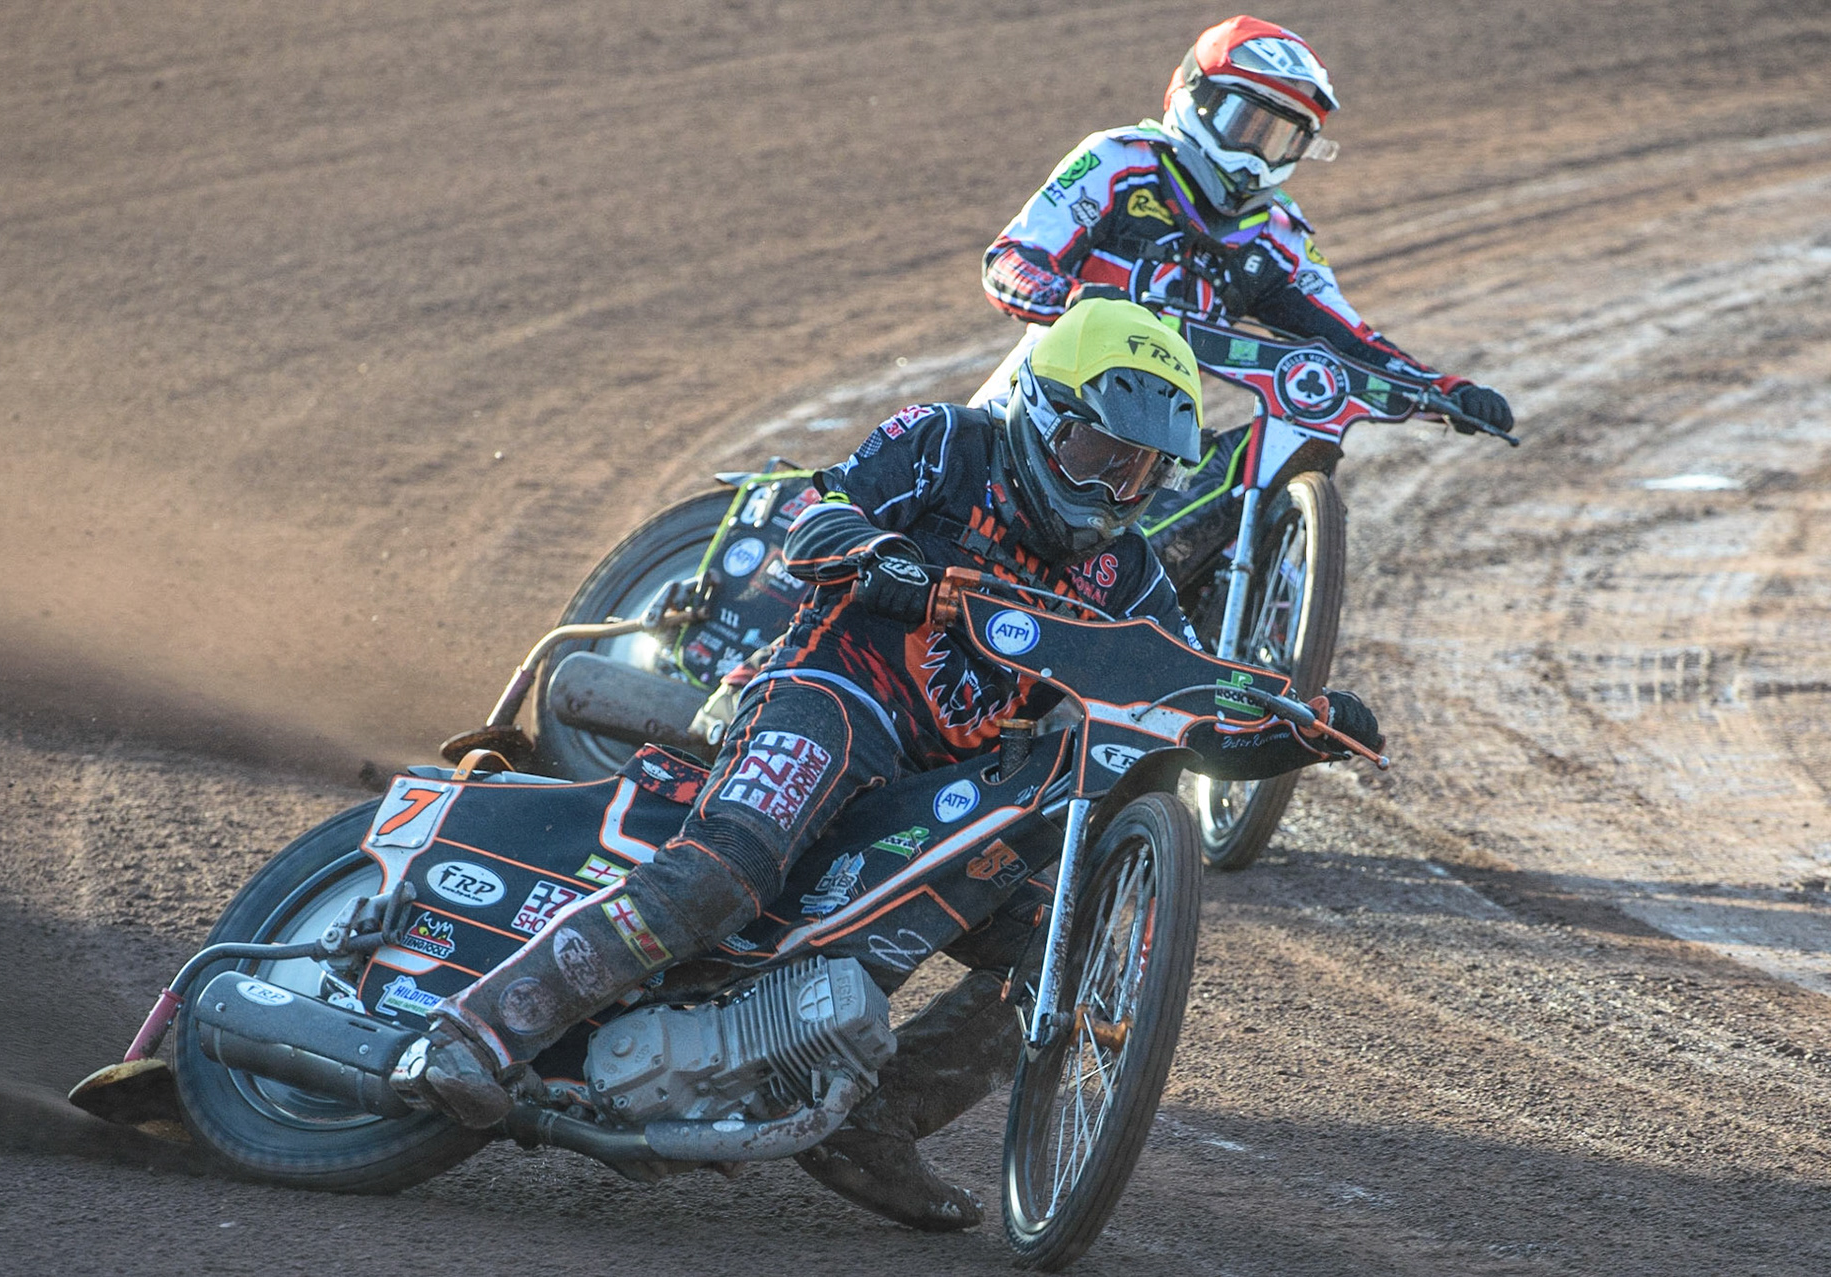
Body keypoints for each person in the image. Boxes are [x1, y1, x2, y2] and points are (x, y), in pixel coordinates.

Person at [398, 301, 1384, 1229]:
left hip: (940, 780)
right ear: (1044, 411)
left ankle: (876, 1123)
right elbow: (812, 519)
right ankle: (482, 1026)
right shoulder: (948, 442)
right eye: (1095, 454)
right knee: (726, 871)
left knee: (1063, 946)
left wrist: (1294, 728)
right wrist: (885, 560)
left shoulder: (1125, 572)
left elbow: (1185, 702)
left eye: (1137, 476)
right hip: (831, 692)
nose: (1110, 493)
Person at [978, 14, 1515, 574]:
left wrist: (1447, 392)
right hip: (1043, 405)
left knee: (1270, 447)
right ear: (1194, 97)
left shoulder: (1278, 234)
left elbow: (1348, 336)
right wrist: (1075, 301)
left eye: (1281, 139)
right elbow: (1011, 259)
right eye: (1246, 124)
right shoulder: (1121, 160)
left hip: (1157, 436)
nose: (1257, 156)